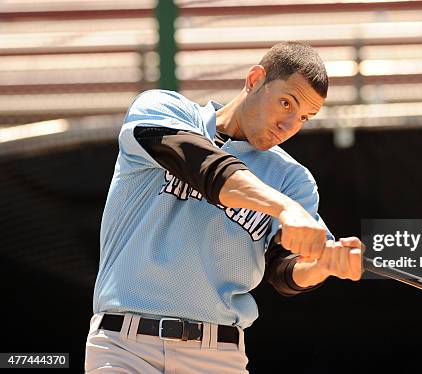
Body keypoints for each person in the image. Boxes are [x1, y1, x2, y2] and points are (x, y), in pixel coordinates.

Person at [84, 41, 363, 373]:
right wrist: (286, 208)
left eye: (304, 117)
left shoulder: (292, 180)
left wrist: (323, 265)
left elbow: (284, 271)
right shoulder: (162, 108)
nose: (288, 125)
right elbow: (207, 168)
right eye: (285, 103)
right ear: (255, 79)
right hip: (125, 346)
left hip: (217, 355)